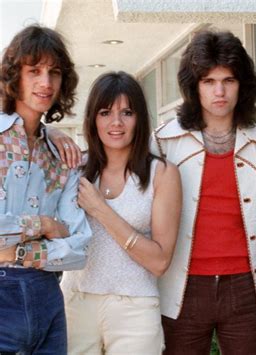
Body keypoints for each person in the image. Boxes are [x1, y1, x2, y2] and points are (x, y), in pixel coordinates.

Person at [152, 30, 256, 354]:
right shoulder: (164, 142)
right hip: (181, 288)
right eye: (209, 81)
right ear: (194, 87)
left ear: (243, 85)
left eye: (229, 80)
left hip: (245, 287)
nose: (220, 91)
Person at [60, 71, 182, 354]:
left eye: (127, 112)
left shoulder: (162, 173)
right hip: (75, 301)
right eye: (105, 112)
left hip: (135, 308)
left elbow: (160, 261)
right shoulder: (74, 169)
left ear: (139, 118)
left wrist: (100, 210)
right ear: (92, 119)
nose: (116, 122)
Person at [0, 25, 92, 354]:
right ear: (15, 76)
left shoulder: (61, 155)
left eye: (54, 72)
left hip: (48, 298)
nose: (46, 83)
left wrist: (20, 252)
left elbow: (79, 247)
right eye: (34, 71)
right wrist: (45, 225)